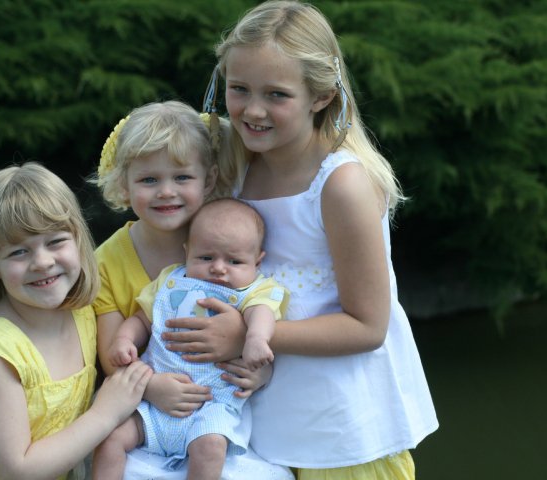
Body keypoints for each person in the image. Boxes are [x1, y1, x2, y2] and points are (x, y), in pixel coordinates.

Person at [162, 1, 439, 478]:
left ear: (322, 96)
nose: (253, 110)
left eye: (277, 94)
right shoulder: (234, 167)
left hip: (344, 429)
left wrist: (245, 334)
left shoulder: (340, 185)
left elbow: (368, 326)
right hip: (260, 422)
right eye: (239, 89)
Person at [0, 162, 152, 480]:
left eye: (56, 241)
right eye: (19, 252)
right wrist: (106, 412)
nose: (42, 262)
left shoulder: (83, 314)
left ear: (77, 240)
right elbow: (17, 470)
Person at [89, 101, 293, 479]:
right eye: (149, 180)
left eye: (182, 177)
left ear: (208, 180)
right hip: (146, 401)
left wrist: (260, 373)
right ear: (124, 183)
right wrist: (152, 388)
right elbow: (114, 354)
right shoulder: (105, 263)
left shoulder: (230, 238)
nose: (167, 192)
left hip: (215, 407)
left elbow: (261, 311)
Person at [95, 198, 288, 479]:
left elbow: (263, 313)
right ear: (187, 251)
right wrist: (124, 339)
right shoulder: (170, 281)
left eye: (234, 261)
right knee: (110, 438)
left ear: (257, 261)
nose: (218, 268)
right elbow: (142, 319)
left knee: (211, 447)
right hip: (154, 402)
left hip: (210, 406)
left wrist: (256, 338)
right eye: (206, 257)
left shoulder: (254, 291)